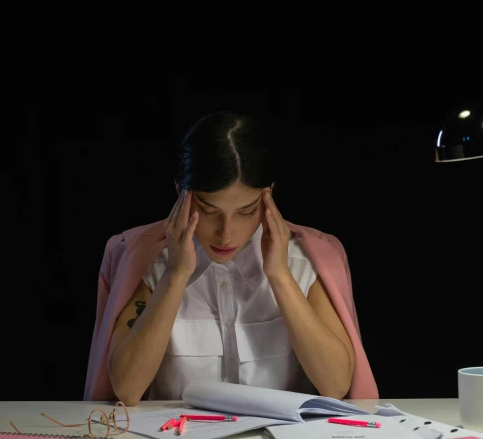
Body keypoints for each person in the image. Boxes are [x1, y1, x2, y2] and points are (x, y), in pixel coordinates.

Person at [84, 111, 378, 405]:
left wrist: (280, 275)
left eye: (247, 211)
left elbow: (336, 385)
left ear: (268, 195)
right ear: (180, 192)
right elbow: (126, 388)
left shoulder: (311, 259)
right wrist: (175, 274)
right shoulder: (139, 258)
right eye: (209, 211)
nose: (226, 234)